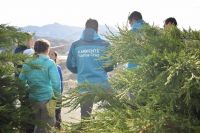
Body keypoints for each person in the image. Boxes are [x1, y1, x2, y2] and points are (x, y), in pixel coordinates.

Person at [66, 19, 113, 119]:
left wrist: (80, 70)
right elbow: (110, 66)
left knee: (85, 117)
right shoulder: (105, 44)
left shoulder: (76, 45)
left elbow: (70, 65)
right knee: (114, 112)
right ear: (97, 29)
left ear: (85, 27)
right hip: (102, 84)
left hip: (84, 85)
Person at [19, 39, 61, 133]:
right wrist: (57, 97)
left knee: (38, 123)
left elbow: (21, 80)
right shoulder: (50, 63)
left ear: (35, 49)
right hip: (49, 98)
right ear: (47, 49)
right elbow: (56, 83)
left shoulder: (28, 62)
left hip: (33, 97)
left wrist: (28, 90)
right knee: (49, 124)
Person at [49, 49, 63, 129]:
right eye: (49, 54)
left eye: (52, 55)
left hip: (57, 94)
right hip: (49, 94)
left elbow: (61, 81)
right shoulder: (45, 67)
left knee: (57, 113)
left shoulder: (58, 67)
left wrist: (60, 93)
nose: (50, 56)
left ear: (55, 57)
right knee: (51, 114)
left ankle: (58, 128)